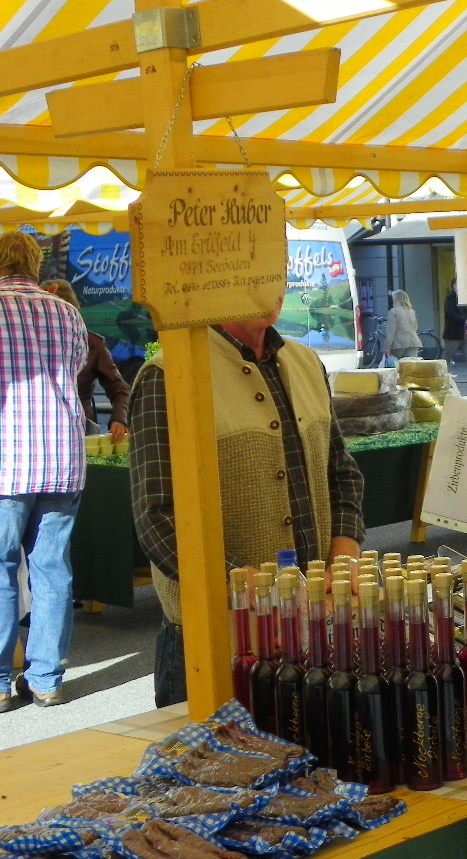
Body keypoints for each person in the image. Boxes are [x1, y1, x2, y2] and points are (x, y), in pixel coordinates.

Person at [129, 288, 365, 708]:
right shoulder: (168, 375)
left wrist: (343, 559)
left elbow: (342, 475)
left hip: (313, 629)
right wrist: (248, 586)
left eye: (279, 271)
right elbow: (158, 518)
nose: (271, 287)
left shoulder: (305, 362)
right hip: (214, 641)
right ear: (222, 279)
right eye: (256, 272)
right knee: (216, 752)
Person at [0, 232, 87, 711]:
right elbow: (77, 367)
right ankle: (46, 679)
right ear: (35, 264)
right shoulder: (66, 312)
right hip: (61, 456)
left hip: (6, 460)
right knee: (52, 570)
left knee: (1, 569)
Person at [41, 280, 130, 441]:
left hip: (82, 430)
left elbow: (119, 389)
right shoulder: (31, 341)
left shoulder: (94, 344)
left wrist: (119, 419)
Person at [442, 278, 467, 370]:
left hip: (464, 333)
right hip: (453, 334)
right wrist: (465, 321)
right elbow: (451, 314)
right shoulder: (450, 299)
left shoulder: (462, 298)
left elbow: (466, 314)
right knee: (447, 357)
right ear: (454, 286)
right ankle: (440, 374)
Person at [383, 289, 420, 362]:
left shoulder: (393, 312)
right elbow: (415, 327)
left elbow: (391, 331)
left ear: (396, 299)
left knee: (396, 366)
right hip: (413, 342)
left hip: (398, 344)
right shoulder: (411, 311)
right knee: (410, 366)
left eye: (393, 298)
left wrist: (387, 347)